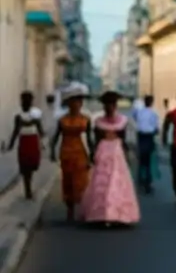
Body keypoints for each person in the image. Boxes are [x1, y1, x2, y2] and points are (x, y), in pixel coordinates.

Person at [79, 91, 140, 227]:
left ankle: (117, 213)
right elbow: (96, 140)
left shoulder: (122, 121)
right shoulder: (98, 122)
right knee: (101, 181)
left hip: (116, 152)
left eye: (112, 104)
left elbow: (124, 140)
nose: (109, 107)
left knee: (116, 180)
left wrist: (127, 154)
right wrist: (93, 154)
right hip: (103, 151)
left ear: (115, 106)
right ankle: (101, 213)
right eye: (107, 105)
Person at [50, 82, 92, 223]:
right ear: (69, 103)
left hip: (81, 152)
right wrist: (51, 151)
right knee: (68, 181)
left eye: (79, 101)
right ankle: (70, 210)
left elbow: (90, 139)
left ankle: (83, 210)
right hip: (66, 152)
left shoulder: (86, 119)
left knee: (81, 181)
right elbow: (56, 136)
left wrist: (92, 153)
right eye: (74, 101)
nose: (77, 104)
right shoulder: (63, 120)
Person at [8, 91, 43, 199]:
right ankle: (28, 189)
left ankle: (28, 187)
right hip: (27, 142)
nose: (26, 103)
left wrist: (11, 144)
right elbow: (16, 131)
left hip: (30, 142)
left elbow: (40, 131)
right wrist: (11, 144)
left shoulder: (30, 117)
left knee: (29, 166)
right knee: (26, 166)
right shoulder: (23, 117)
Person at [134, 95, 160, 194]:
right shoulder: (154, 113)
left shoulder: (139, 112)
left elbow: (136, 119)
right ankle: (147, 183)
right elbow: (156, 128)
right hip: (149, 137)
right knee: (149, 161)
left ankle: (141, 180)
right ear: (151, 102)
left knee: (141, 160)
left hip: (141, 136)